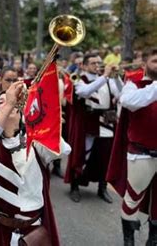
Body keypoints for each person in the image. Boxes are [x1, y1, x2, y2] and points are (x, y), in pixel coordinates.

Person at [0, 82, 69, 246]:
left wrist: (44, 119)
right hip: (0, 234)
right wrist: (10, 104)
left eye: (12, 101)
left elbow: (62, 150)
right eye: (2, 102)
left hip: (34, 232)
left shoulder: (33, 142)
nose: (9, 102)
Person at [107, 48, 157, 246]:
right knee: (132, 199)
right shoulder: (133, 84)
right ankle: (129, 240)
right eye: (155, 61)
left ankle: (153, 239)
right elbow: (130, 102)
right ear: (145, 64)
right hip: (141, 154)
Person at [64, 53, 121, 203]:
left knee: (105, 157)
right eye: (93, 63)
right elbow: (85, 92)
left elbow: (120, 93)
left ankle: (102, 188)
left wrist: (116, 77)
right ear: (83, 65)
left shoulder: (107, 79)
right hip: (87, 123)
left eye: (99, 62)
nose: (97, 65)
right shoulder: (78, 79)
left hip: (105, 122)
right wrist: (105, 76)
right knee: (82, 155)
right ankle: (75, 186)